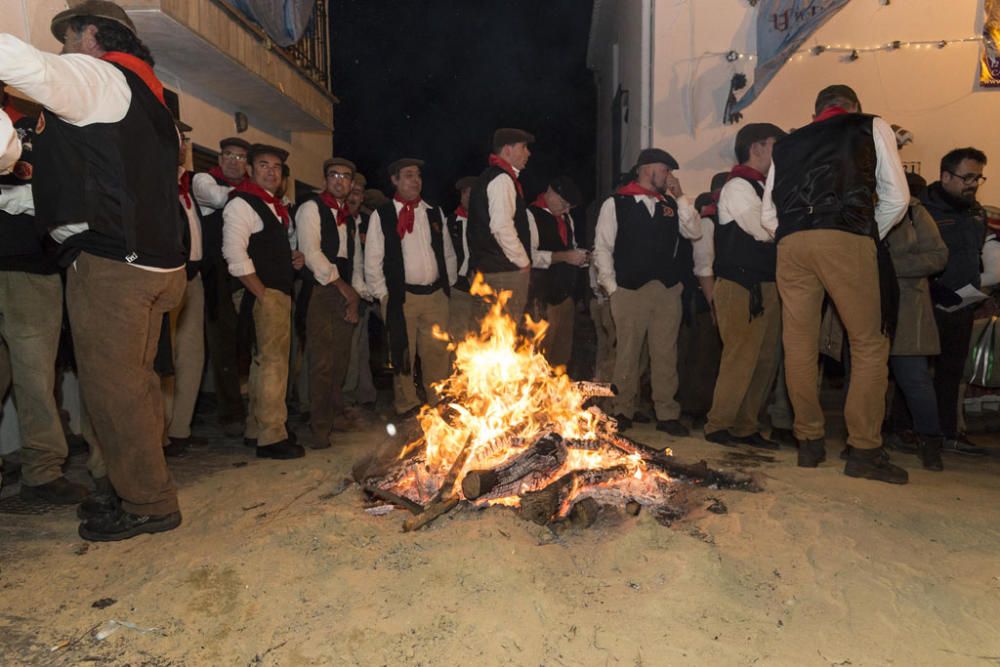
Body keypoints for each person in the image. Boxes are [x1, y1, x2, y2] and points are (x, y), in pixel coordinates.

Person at [0, 0, 190, 539]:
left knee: (115, 391)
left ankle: (150, 503)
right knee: (138, 386)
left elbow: (24, 65)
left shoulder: (99, 77)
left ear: (89, 36)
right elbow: (91, 186)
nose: (62, 49)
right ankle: (123, 485)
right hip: (155, 264)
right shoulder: (153, 105)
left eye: (67, 38)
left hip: (115, 265)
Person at [761, 84, 910, 484]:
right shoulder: (870, 125)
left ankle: (808, 441)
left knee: (799, 346)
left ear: (817, 110)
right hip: (846, 235)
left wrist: (794, 234)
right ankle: (863, 449)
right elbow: (898, 197)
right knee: (868, 343)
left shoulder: (786, 144)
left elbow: (767, 215)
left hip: (791, 243)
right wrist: (864, 232)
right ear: (853, 107)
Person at [0, 108, 85, 504]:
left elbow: (62, 195)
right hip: (22, 265)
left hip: (32, 267)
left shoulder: (41, 125)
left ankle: (42, 471)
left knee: (34, 378)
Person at [593, 148, 702, 435]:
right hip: (629, 289)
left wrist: (680, 197)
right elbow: (603, 247)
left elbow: (694, 232)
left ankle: (667, 412)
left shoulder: (670, 203)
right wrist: (612, 287)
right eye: (665, 170)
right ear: (646, 168)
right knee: (627, 353)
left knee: (666, 352)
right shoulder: (617, 203)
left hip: (666, 289)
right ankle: (621, 409)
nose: (669, 176)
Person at [704, 123, 787, 449]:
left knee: (765, 359)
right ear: (757, 148)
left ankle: (745, 425)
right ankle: (719, 424)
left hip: (766, 284)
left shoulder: (764, 186)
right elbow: (763, 229)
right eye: (774, 146)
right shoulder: (739, 186)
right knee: (741, 356)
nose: (778, 154)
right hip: (739, 285)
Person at [222, 143, 305, 459]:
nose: (271, 171)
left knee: (262, 364)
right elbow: (234, 254)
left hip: (273, 292)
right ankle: (272, 436)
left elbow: (265, 250)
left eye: (276, 167)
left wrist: (291, 258)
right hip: (264, 294)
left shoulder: (274, 207)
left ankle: (257, 428)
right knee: (273, 364)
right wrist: (262, 293)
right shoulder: (243, 204)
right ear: (250, 170)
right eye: (263, 165)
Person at [365, 158, 457, 416]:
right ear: (394, 180)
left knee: (438, 353)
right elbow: (373, 259)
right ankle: (407, 405)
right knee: (403, 352)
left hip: (435, 295)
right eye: (408, 175)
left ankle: (438, 402)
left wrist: (445, 289)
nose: (415, 180)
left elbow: (447, 253)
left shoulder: (433, 211)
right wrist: (383, 295)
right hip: (401, 297)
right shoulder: (381, 215)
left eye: (417, 175)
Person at [922, 147, 991, 456]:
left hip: (963, 304)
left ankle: (948, 433)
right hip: (928, 303)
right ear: (946, 176)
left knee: (952, 371)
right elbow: (913, 257)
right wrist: (935, 290)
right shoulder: (923, 210)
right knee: (917, 370)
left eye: (978, 177)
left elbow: (974, 253)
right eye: (967, 177)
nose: (973, 184)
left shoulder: (976, 211)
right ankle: (909, 431)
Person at [295, 157, 363, 449]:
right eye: (334, 175)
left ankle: (333, 415)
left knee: (340, 361)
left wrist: (355, 297)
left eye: (346, 177)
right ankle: (319, 426)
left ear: (351, 184)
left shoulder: (348, 217)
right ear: (325, 179)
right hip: (320, 291)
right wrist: (344, 288)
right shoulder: (311, 208)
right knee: (321, 363)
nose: (340, 180)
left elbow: (355, 262)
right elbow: (310, 253)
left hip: (343, 292)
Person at [883, 185, 949, 470]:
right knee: (860, 379)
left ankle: (930, 442)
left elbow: (938, 256)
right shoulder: (854, 204)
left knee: (915, 380)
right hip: (862, 303)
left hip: (906, 307)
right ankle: (861, 443)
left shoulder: (914, 211)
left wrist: (887, 267)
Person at [192, 136, 251, 436]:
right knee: (223, 346)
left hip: (247, 275)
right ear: (219, 157)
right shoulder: (203, 179)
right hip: (215, 277)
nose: (233, 161)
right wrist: (253, 197)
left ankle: (251, 409)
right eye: (228, 155)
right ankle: (230, 414)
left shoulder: (251, 190)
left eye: (240, 157)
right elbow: (216, 198)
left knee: (249, 345)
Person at [161, 120, 205, 457]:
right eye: (175, 137)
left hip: (195, 279)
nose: (181, 145)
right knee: (165, 359)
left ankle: (180, 430)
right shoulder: (155, 182)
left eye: (184, 139)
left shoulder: (188, 186)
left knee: (191, 356)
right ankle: (158, 433)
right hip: (167, 276)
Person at [468, 128, 534, 322]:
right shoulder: (502, 179)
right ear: (507, 150)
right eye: (524, 147)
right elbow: (501, 227)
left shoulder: (490, 177)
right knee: (503, 336)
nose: (528, 153)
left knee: (490, 338)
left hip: (492, 270)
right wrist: (523, 261)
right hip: (503, 273)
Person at [527, 176, 588, 369]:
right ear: (551, 193)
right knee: (538, 359)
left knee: (561, 359)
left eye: (570, 207)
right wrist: (564, 257)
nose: (567, 211)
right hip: (541, 301)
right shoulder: (530, 215)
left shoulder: (566, 218)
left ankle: (557, 396)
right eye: (564, 204)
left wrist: (582, 257)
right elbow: (529, 257)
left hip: (565, 299)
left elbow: (571, 247)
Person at [343, 172, 378, 409]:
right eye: (351, 192)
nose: (354, 197)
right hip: (341, 290)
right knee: (346, 349)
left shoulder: (367, 220)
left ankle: (364, 394)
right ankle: (344, 397)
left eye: (358, 192)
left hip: (366, 291)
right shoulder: (337, 217)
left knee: (361, 346)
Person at [447, 176, 479, 341]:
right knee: (458, 338)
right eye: (465, 192)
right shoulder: (449, 222)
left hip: (483, 291)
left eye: (473, 192)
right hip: (458, 290)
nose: (468, 196)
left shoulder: (488, 223)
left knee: (482, 338)